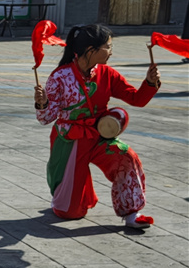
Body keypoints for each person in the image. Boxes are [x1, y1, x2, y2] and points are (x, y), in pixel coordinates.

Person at [34, 24, 160, 227]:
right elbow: (45, 118)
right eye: (108, 47)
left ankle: (131, 213)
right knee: (70, 213)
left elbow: (136, 99)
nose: (111, 52)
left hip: (100, 135)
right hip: (70, 140)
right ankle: (75, 198)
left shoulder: (108, 74)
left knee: (127, 157)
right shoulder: (60, 77)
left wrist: (150, 83)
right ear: (90, 50)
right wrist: (42, 103)